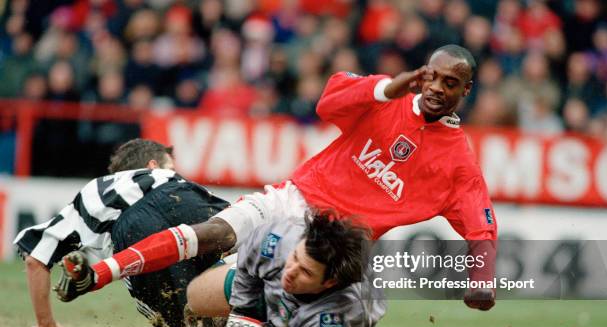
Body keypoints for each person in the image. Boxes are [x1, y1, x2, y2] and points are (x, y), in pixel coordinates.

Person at [65, 44, 497, 310]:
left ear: (466, 90)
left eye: (451, 82)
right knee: (213, 232)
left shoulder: (459, 163)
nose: (438, 87)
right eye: (433, 77)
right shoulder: (387, 96)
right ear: (422, 74)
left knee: (238, 295)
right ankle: (98, 274)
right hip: (296, 196)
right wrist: (390, 86)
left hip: (334, 244)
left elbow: (481, 227)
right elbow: (329, 101)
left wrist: (482, 282)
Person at [14, 139, 229, 327]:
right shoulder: (164, 176)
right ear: (152, 166)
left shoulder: (93, 192)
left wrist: (46, 323)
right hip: (180, 199)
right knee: (239, 263)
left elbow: (35, 258)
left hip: (130, 238)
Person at [186, 211, 384, 327]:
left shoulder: (338, 318)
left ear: (329, 282)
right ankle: (226, 323)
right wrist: (245, 315)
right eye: (295, 257)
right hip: (268, 294)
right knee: (195, 296)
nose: (290, 272)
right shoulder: (284, 237)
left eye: (305, 271)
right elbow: (250, 254)